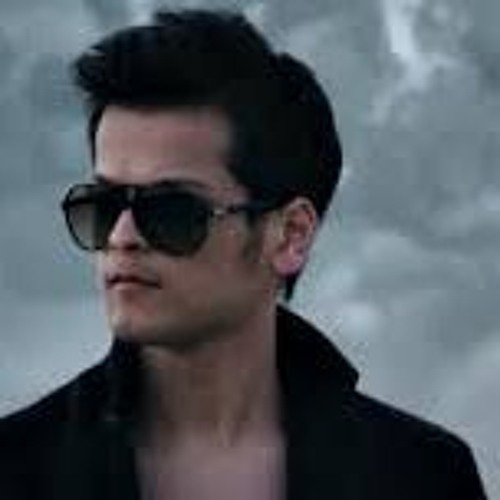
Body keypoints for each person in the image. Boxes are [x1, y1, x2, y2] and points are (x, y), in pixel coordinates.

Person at [0, 8, 487, 500]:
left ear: (291, 235)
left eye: (173, 210)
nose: (122, 236)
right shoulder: (16, 470)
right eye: (103, 205)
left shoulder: (423, 476)